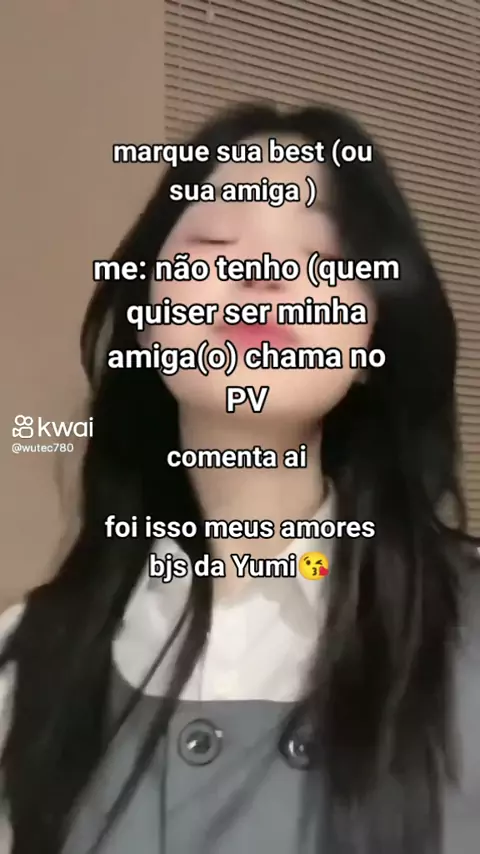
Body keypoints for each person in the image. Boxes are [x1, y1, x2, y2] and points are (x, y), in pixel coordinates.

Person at [1, 102, 479, 854]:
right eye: (216, 243)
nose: (263, 275)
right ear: (146, 318)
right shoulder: (21, 663)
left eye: (322, 259)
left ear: (371, 343)